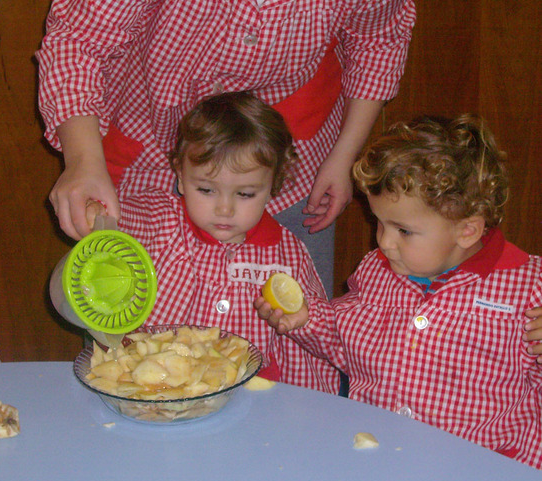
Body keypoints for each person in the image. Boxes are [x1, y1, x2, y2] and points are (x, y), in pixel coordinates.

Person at [36, 0, 417, 298]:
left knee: (289, 315)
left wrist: (344, 155)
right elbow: (79, 40)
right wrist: (83, 161)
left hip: (291, 145)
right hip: (149, 139)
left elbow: (379, 39)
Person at [256, 114, 542, 469]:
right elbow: (349, 343)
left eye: (404, 230)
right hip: (376, 460)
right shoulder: (377, 271)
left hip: (477, 473)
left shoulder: (529, 288)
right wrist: (307, 319)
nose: (384, 242)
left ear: (467, 230)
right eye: (379, 222)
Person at [86, 92, 341, 393]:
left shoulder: (288, 254)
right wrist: (96, 215)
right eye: (206, 190)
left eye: (245, 194)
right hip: (158, 389)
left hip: (251, 398)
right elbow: (115, 221)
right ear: (181, 176)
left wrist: (304, 320)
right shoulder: (158, 219)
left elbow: (321, 341)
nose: (224, 209)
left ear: (273, 186)